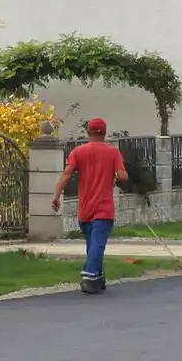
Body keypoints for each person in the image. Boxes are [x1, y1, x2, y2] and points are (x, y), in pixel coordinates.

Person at [51, 118, 130, 294]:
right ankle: (89, 276)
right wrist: (117, 178)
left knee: (92, 244)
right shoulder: (113, 153)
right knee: (97, 245)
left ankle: (98, 277)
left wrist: (56, 196)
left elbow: (66, 174)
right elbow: (123, 176)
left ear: (89, 132)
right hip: (104, 207)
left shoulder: (78, 152)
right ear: (105, 132)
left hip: (85, 208)